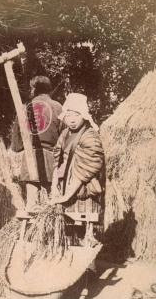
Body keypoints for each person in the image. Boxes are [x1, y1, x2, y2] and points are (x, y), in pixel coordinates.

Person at [10, 76, 63, 210]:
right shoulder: (58, 107)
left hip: (30, 160)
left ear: (33, 89)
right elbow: (65, 138)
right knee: (51, 205)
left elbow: (16, 145)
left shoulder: (24, 109)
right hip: (53, 161)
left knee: (32, 207)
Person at [50, 92, 104, 207]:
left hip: (81, 194)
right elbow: (57, 160)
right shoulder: (65, 134)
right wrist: (54, 188)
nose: (72, 120)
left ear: (83, 116)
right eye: (69, 116)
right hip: (62, 189)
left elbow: (86, 167)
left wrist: (67, 196)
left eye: (76, 115)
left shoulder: (90, 136)